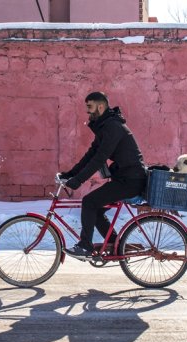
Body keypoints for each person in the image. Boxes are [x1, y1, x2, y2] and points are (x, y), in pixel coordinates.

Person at [59, 92, 148, 258]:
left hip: (131, 180)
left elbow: (100, 158)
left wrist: (77, 181)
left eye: (90, 107)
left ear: (101, 106)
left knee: (89, 202)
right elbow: (91, 154)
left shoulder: (113, 127)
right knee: (96, 209)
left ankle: (85, 245)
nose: (88, 111)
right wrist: (70, 174)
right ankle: (115, 243)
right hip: (124, 178)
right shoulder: (106, 126)